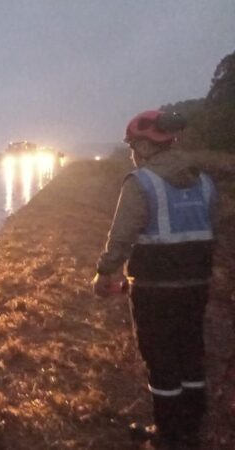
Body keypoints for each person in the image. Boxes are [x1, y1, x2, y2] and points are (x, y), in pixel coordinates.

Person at [92, 110, 217, 448]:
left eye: (133, 145)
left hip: (155, 288)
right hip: (198, 284)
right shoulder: (204, 181)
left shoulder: (141, 182)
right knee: (191, 350)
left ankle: (168, 434)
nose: (133, 152)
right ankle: (192, 427)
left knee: (160, 357)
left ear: (147, 146)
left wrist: (105, 273)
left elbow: (121, 237)